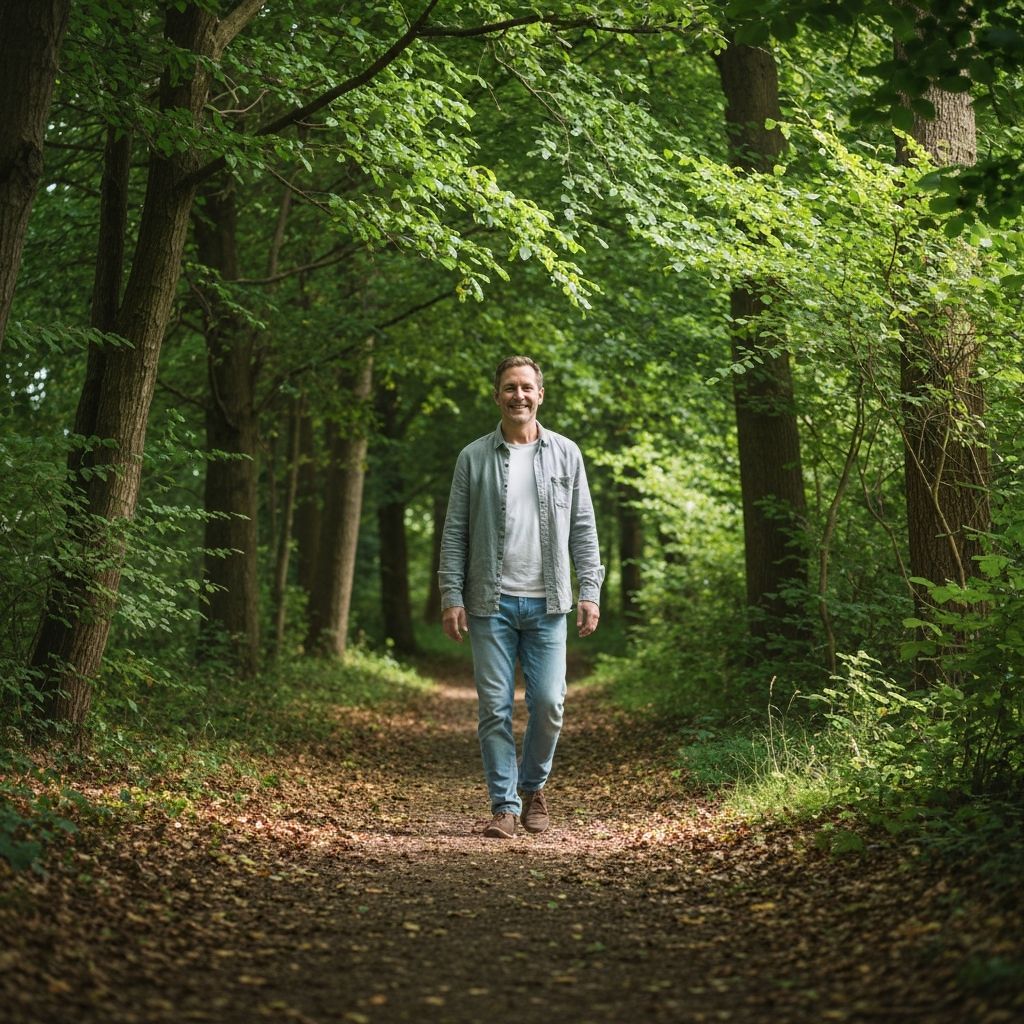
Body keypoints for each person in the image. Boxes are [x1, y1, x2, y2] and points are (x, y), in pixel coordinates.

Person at [438, 356, 605, 839]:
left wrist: (589, 590)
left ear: (540, 394)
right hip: (490, 603)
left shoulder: (567, 454)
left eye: (527, 388)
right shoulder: (473, 457)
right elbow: (455, 533)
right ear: (497, 396)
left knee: (550, 704)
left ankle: (533, 789)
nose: (519, 395)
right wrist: (452, 594)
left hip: (549, 602)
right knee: (495, 708)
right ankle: (505, 807)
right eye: (509, 387)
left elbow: (583, 527)